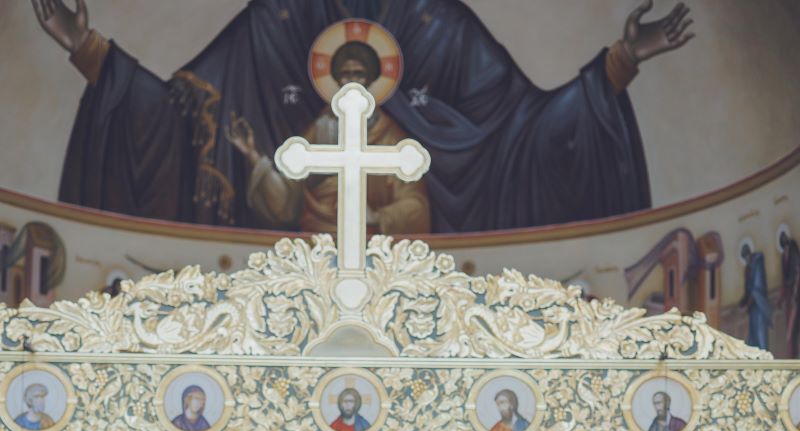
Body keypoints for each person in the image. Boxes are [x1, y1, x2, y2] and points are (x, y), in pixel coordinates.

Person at [33, 0, 691, 232]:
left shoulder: (443, 26)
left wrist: (621, 61)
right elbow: (182, 123)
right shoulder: (276, 21)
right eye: (341, 74)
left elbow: (525, 140)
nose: (351, 85)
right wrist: (87, 51)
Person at [227, 39, 430, 236]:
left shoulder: (389, 135)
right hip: (317, 238)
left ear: (370, 78)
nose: (352, 81)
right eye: (345, 74)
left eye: (359, 74)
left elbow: (416, 204)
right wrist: (252, 154)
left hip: (369, 240)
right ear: (336, 79)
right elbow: (288, 200)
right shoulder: (321, 129)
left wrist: (377, 216)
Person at [740, 241, 773, 351]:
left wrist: (747, 305)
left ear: (749, 254)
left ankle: (765, 364)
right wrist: (742, 303)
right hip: (753, 309)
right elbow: (748, 291)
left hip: (759, 307)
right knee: (753, 338)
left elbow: (756, 290)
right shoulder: (748, 268)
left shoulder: (757, 264)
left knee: (760, 336)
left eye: (746, 256)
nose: (746, 260)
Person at [779, 228, 800, 359]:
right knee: (791, 330)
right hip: (790, 294)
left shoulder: (793, 249)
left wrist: (794, 293)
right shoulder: (784, 255)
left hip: (796, 295)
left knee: (793, 326)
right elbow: (785, 278)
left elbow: (797, 272)